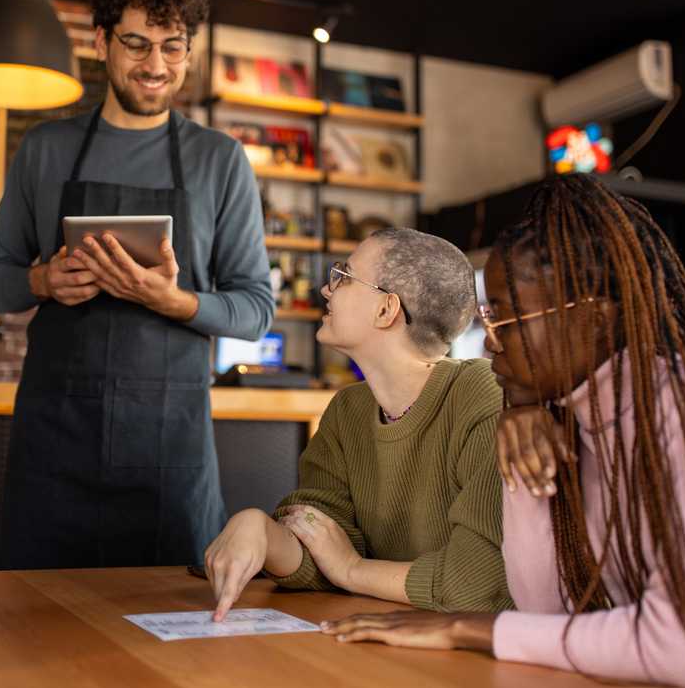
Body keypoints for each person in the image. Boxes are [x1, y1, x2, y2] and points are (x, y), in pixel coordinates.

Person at [321, 175, 685, 688]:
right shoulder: (567, 412)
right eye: (486, 318)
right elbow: (544, 608)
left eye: (505, 318)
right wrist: (519, 441)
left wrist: (466, 628)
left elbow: (680, 649)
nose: (488, 345)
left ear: (592, 320)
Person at [0, 0, 273, 569]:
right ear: (102, 41)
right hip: (54, 450)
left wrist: (175, 301)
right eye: (137, 44)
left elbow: (254, 310)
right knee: (36, 632)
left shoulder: (219, 160)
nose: (155, 65)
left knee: (169, 637)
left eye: (172, 46)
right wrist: (43, 279)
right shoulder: (46, 148)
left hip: (169, 455)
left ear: (189, 50)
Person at [204, 229, 513, 619]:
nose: (326, 289)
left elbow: (475, 586)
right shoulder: (348, 409)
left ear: (386, 310)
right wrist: (260, 530)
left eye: (344, 276)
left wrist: (353, 570)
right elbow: (322, 547)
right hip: (391, 640)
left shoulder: (482, 395)